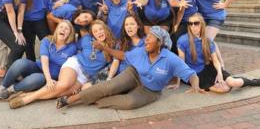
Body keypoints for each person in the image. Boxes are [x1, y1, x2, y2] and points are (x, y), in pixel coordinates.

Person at [56, 26, 204, 110]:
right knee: (109, 86)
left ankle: (97, 99)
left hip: (151, 90)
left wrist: (195, 86)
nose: (146, 40)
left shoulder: (171, 59)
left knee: (130, 103)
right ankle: (68, 100)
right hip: (134, 74)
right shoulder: (141, 51)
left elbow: (192, 75)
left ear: (159, 43)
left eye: (150, 38)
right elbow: (122, 55)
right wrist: (104, 48)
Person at [8, 20, 115, 109]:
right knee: (64, 84)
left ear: (106, 29)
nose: (99, 32)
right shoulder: (87, 40)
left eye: (101, 29)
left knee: (62, 92)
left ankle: (29, 94)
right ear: (92, 33)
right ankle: (26, 100)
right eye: (95, 31)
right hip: (75, 64)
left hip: (85, 76)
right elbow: (71, 46)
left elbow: (114, 63)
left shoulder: (113, 47)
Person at [174, 13, 260, 93]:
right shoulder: (182, 40)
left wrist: (219, 73)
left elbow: (215, 60)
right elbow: (180, 63)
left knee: (233, 83)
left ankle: (255, 82)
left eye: (196, 23)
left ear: (201, 24)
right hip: (195, 74)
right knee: (224, 89)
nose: (193, 26)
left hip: (208, 68)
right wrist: (178, 82)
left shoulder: (207, 40)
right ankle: (222, 83)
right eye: (190, 23)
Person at [0, 20, 77, 100]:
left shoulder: (72, 48)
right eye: (61, 27)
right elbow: (44, 61)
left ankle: (10, 90)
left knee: (37, 78)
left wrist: (50, 80)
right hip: (39, 67)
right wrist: (49, 78)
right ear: (57, 30)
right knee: (20, 63)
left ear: (70, 34)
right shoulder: (47, 40)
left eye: (67, 29)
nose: (63, 30)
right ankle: (2, 87)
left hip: (49, 77)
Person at [191, 0, 237, 68]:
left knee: (207, 39)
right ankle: (214, 63)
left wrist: (224, 5)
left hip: (216, 16)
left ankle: (220, 64)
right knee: (206, 39)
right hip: (204, 17)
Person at [106, 14, 145, 80]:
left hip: (134, 78)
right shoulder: (121, 43)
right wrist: (109, 78)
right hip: (117, 75)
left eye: (132, 24)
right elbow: (116, 62)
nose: (129, 27)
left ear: (138, 26)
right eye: (126, 25)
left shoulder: (146, 42)